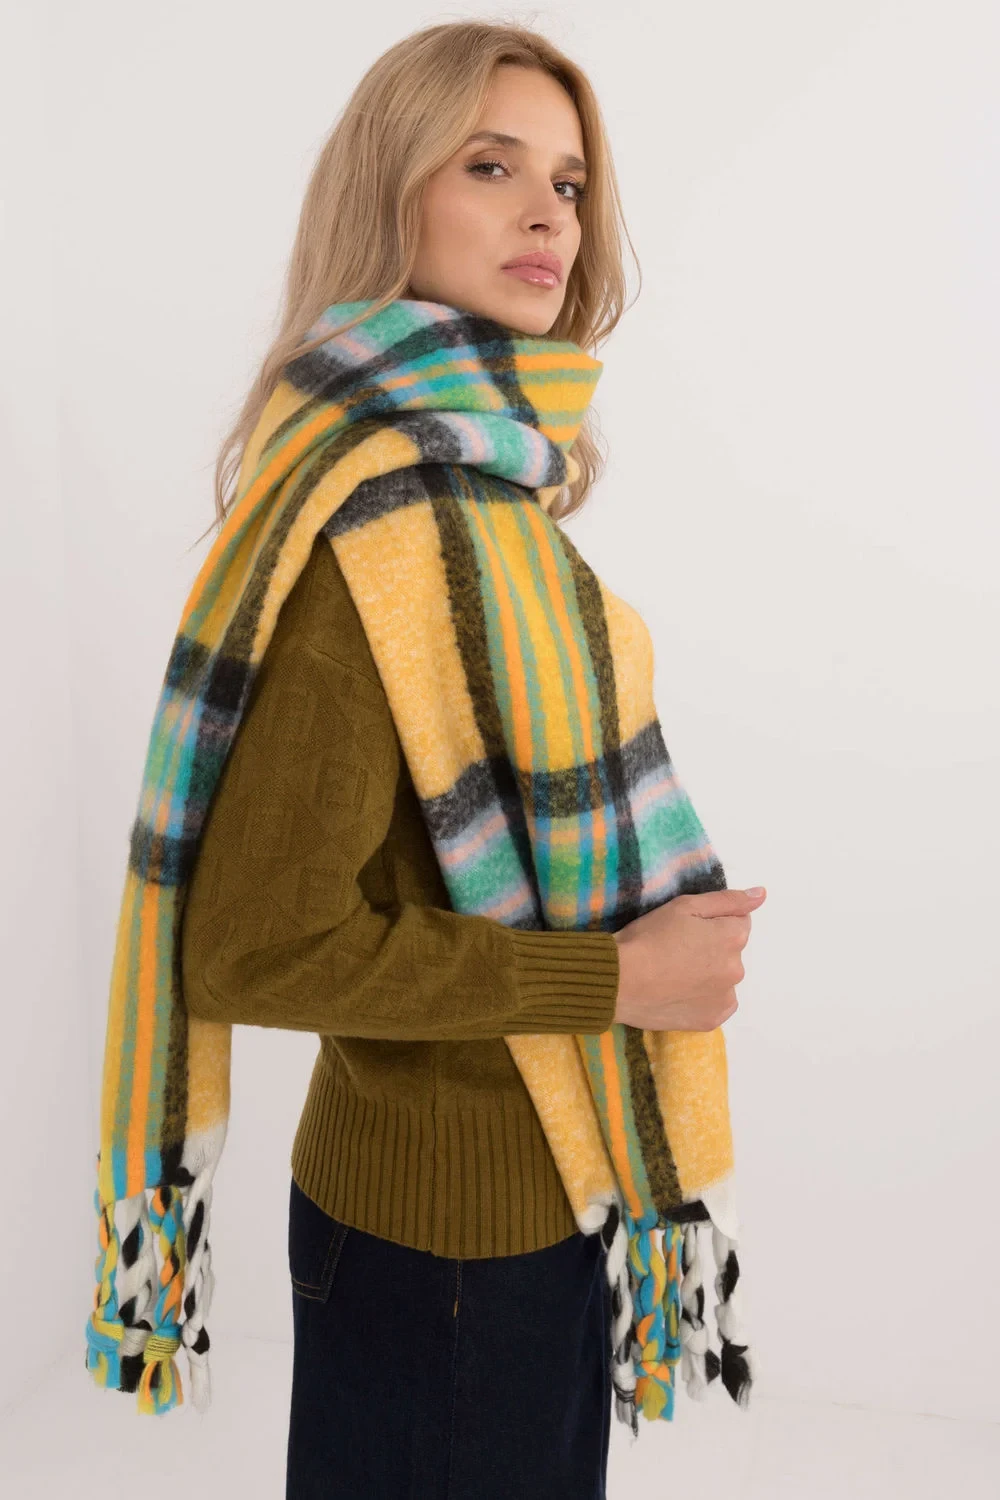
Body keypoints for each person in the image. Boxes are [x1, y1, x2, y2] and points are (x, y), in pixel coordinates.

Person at [179, 20, 765, 1499]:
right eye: (492, 166)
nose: (549, 215)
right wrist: (615, 980)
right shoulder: (378, 532)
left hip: (535, 1202)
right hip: (446, 1248)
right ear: (392, 193)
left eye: (567, 182)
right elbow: (251, 946)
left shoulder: (484, 500)